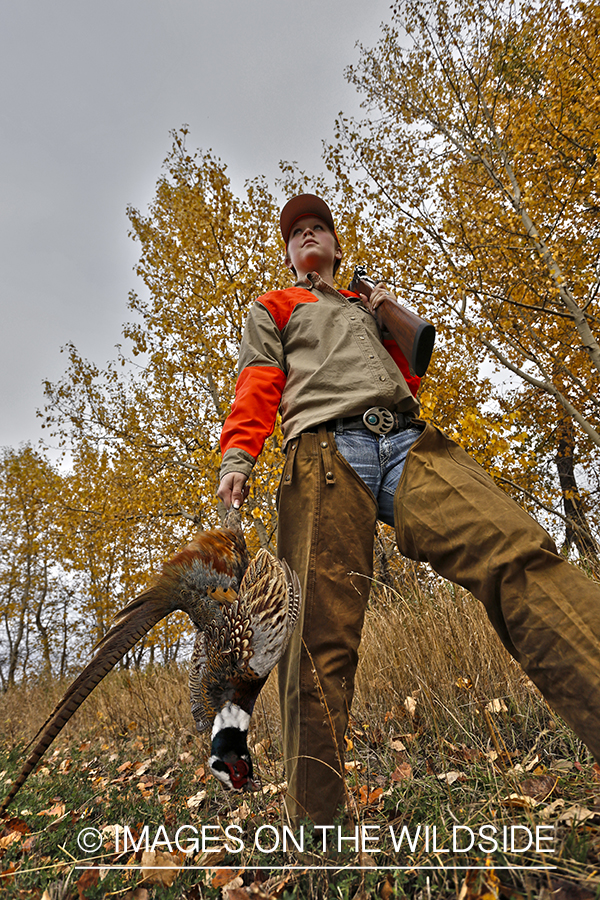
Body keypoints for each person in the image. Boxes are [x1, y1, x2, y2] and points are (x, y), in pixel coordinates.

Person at [217, 193, 600, 826]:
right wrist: (239, 457)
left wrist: (380, 307)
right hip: (323, 451)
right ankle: (317, 834)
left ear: (337, 246)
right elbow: (260, 378)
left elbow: (407, 378)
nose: (307, 234)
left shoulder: (367, 306)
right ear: (289, 255)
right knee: (318, 642)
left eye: (319, 227)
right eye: (296, 233)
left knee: (516, 551)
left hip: (406, 441)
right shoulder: (277, 306)